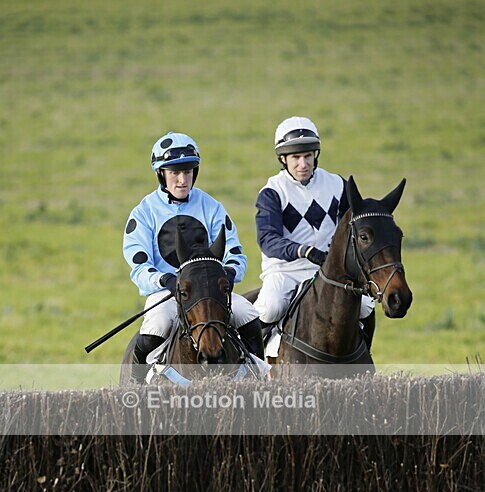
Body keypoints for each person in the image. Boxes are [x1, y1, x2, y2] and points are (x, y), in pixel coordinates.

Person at [123, 132, 264, 372]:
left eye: (187, 172)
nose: (182, 180)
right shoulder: (144, 212)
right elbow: (139, 265)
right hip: (166, 294)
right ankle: (134, 390)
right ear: (161, 174)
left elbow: (235, 254)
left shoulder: (211, 206)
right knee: (155, 325)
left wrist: (228, 274)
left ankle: (260, 376)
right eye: (174, 173)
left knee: (248, 314)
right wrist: (165, 279)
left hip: (211, 293)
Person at [254, 116, 376, 347]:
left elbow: (355, 227)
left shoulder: (338, 184)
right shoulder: (272, 192)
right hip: (285, 271)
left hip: (330, 270)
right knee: (270, 308)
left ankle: (363, 356)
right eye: (296, 158)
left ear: (315, 156)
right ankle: (253, 364)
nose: (303, 164)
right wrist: (304, 251)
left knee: (365, 307)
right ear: (283, 159)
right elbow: (268, 240)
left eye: (308, 156)